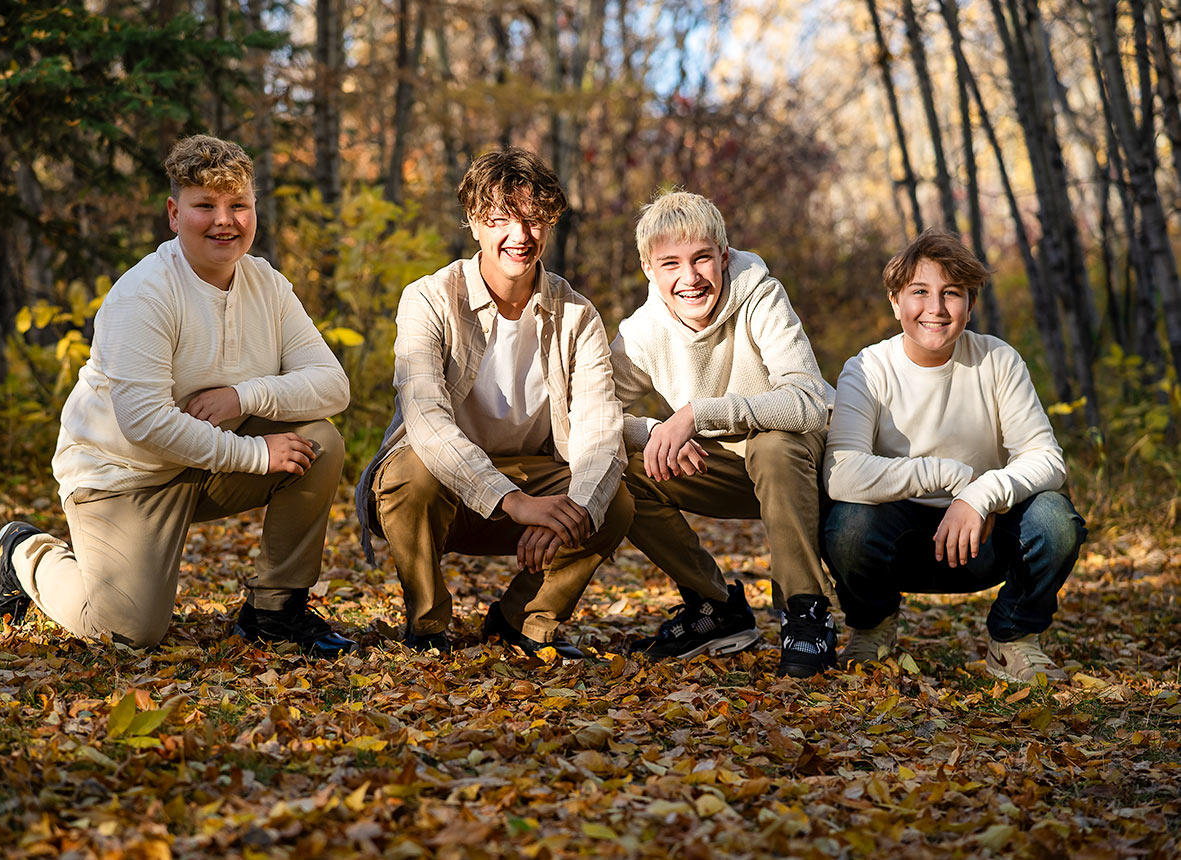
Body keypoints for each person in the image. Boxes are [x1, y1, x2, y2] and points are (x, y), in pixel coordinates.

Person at [0, 134, 356, 656]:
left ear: (254, 212)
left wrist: (245, 397)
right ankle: (26, 553)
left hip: (205, 464)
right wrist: (255, 452)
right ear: (174, 214)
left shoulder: (267, 285)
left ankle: (274, 611)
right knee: (128, 632)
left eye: (238, 205)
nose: (225, 220)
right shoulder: (143, 294)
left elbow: (333, 386)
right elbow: (146, 424)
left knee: (319, 442)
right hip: (120, 477)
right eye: (206, 206)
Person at [355, 148, 632, 657]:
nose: (520, 237)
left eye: (533, 219)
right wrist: (513, 502)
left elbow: (599, 429)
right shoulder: (428, 298)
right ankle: (428, 625)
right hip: (447, 490)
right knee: (409, 472)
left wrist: (572, 510)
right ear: (474, 223)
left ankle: (523, 621)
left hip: (533, 482)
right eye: (500, 219)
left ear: (549, 223)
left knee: (611, 500)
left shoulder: (577, 315)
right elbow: (427, 420)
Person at [823, 228, 1086, 683]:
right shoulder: (867, 369)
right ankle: (873, 626)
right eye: (919, 292)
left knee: (1055, 520)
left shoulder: (997, 360)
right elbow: (841, 473)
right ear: (895, 302)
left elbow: (1047, 458)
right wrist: (949, 476)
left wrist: (979, 494)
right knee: (846, 523)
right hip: (897, 542)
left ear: (971, 304)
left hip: (983, 538)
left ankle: (1013, 640)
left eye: (952, 294)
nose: (936, 309)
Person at [610, 191, 837, 677]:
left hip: (803, 465)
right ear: (649, 270)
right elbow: (589, 413)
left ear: (724, 257)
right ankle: (714, 608)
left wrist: (698, 414)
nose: (689, 278)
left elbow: (811, 399)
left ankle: (806, 612)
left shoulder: (761, 295)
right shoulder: (642, 333)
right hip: (728, 470)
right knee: (622, 469)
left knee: (772, 444)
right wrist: (652, 430)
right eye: (670, 263)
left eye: (701, 259)